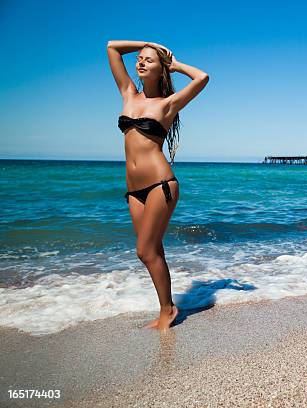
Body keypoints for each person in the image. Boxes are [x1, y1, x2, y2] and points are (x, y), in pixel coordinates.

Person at [106, 40, 209, 331]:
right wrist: (148, 43)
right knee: (154, 250)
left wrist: (174, 64)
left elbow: (202, 77)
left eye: (148, 60)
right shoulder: (128, 94)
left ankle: (168, 309)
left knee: (145, 251)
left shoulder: (168, 104)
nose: (140, 62)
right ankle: (166, 307)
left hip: (160, 185)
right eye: (139, 58)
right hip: (134, 190)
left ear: (160, 69)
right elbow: (112, 48)